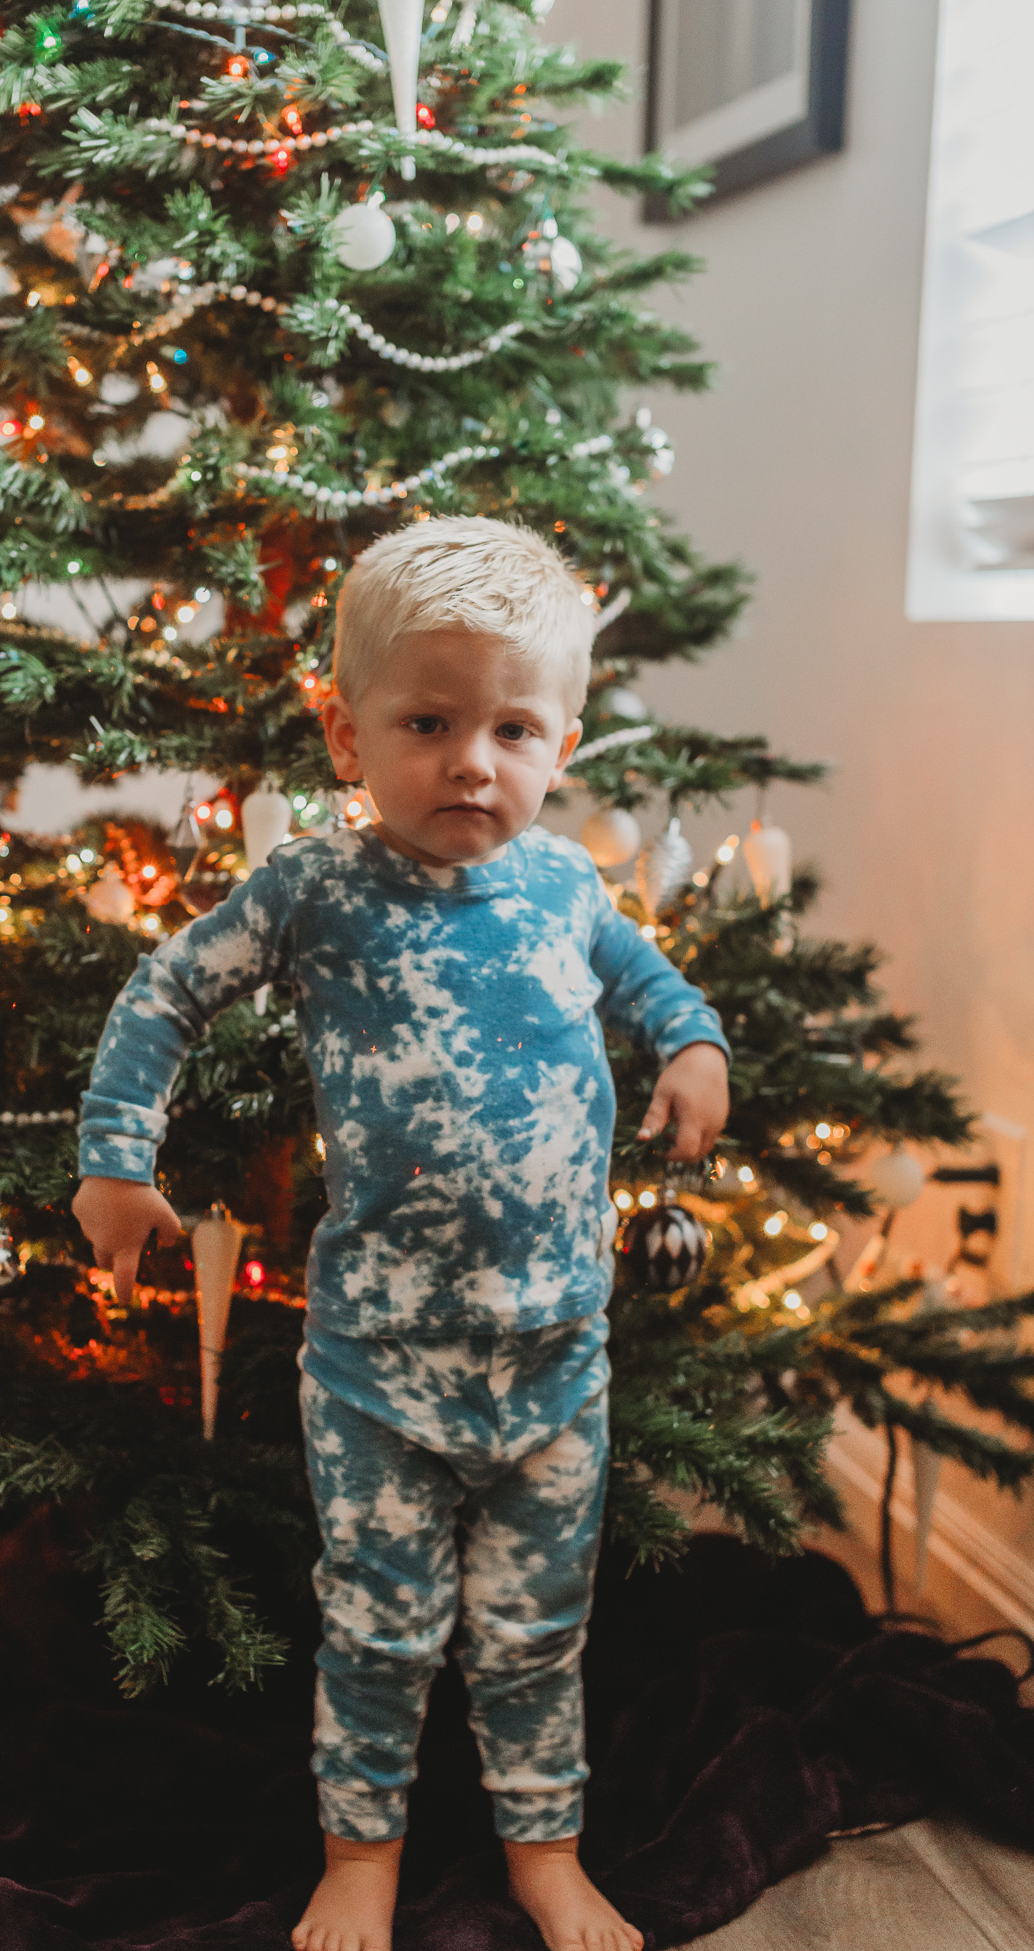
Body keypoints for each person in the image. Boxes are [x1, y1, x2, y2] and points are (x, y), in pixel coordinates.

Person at [74, 517, 730, 1951]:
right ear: (344, 726)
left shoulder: (563, 888)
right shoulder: (316, 892)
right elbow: (166, 992)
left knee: (535, 1627)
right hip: (378, 1364)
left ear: (562, 739)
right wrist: (117, 1161)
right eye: (426, 724)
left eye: (512, 728)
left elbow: (659, 986)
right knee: (377, 1622)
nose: (471, 764)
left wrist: (691, 1051)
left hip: (557, 1353)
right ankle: (358, 1856)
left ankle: (542, 1850)